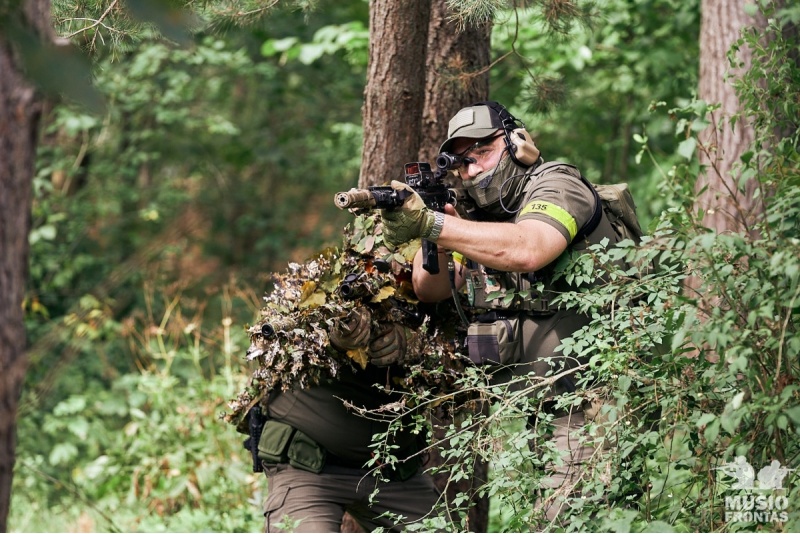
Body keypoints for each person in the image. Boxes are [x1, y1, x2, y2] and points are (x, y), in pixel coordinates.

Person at [379, 101, 620, 524]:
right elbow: (430, 288)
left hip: (595, 397)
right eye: (462, 162)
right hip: (542, 405)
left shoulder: (557, 185)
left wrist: (436, 226)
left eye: (482, 152)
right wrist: (433, 228)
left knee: (569, 520)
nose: (472, 170)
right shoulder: (474, 215)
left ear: (517, 142)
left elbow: (528, 248)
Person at [255, 304, 443, 533]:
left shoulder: (437, 281)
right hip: (308, 464)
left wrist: (413, 342)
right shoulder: (318, 285)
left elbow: (461, 353)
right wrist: (330, 339)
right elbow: (264, 341)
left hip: (395, 471)